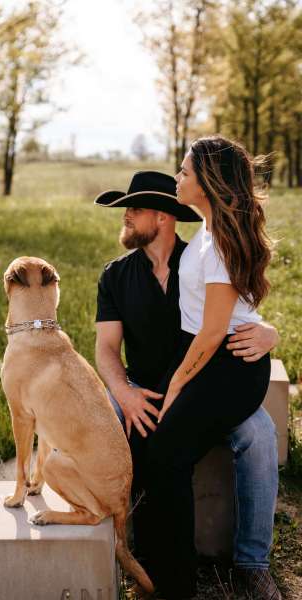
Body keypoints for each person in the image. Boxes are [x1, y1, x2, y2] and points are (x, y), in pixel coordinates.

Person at [94, 157, 280, 598]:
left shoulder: (197, 255)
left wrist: (270, 331)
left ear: (161, 216)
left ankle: (253, 564)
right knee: (111, 418)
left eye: (133, 209)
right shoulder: (115, 276)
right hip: (139, 385)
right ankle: (135, 546)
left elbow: (233, 312)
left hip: (204, 384)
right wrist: (124, 391)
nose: (125, 216)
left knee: (261, 434)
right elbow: (105, 350)